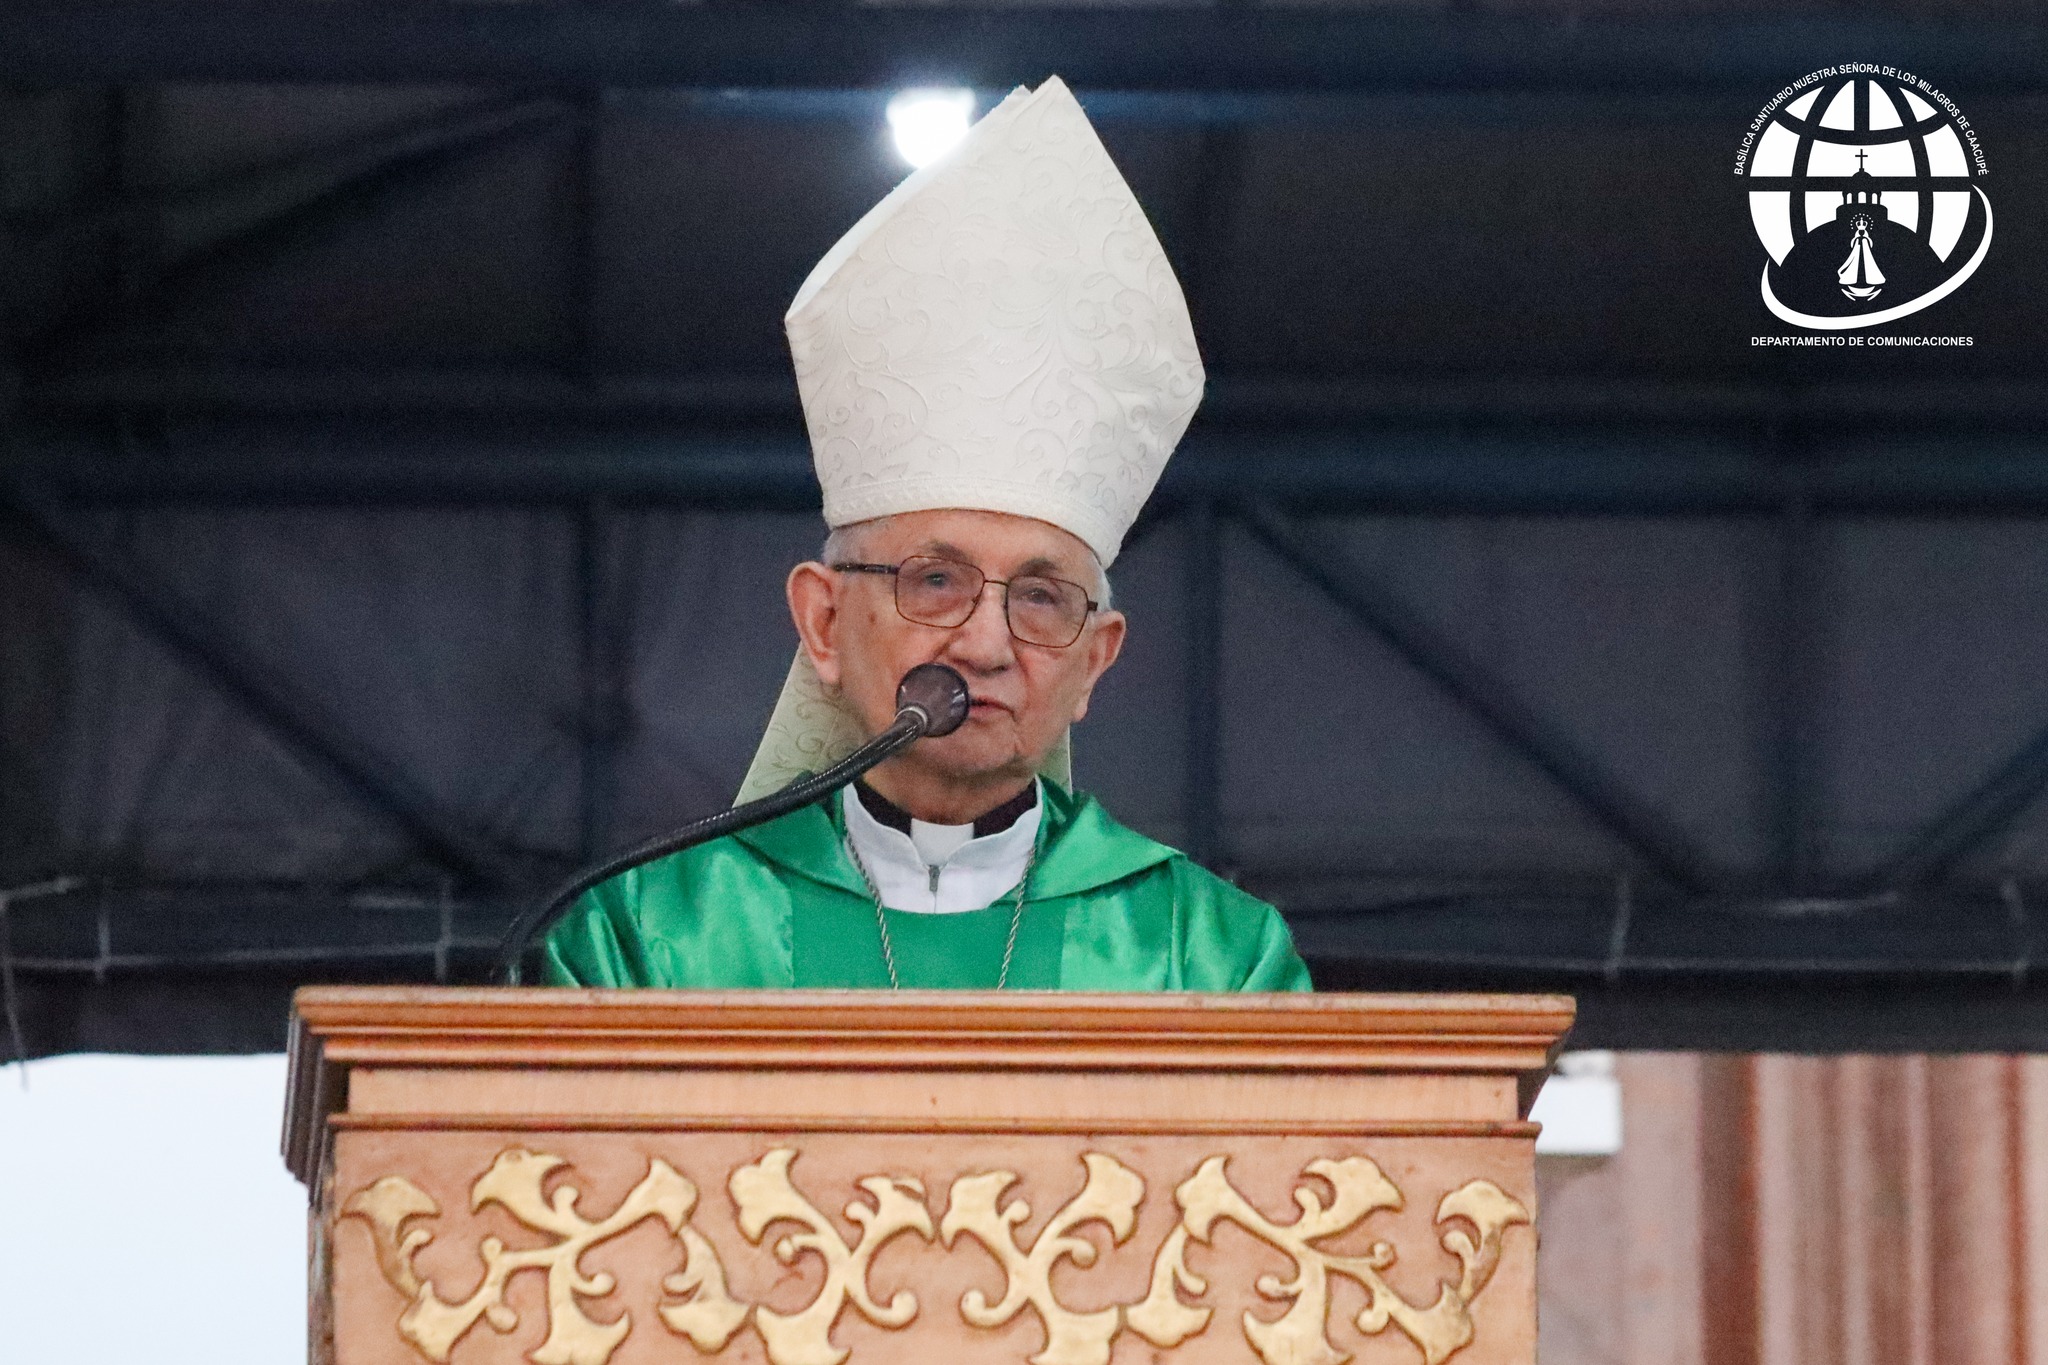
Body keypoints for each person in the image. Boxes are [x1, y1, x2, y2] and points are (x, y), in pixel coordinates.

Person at [544, 77, 1309, 992]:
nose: (986, 644)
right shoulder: (650, 940)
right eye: (936, 580)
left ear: (1094, 663)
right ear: (823, 623)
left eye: (1039, 596)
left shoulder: (1207, 955)